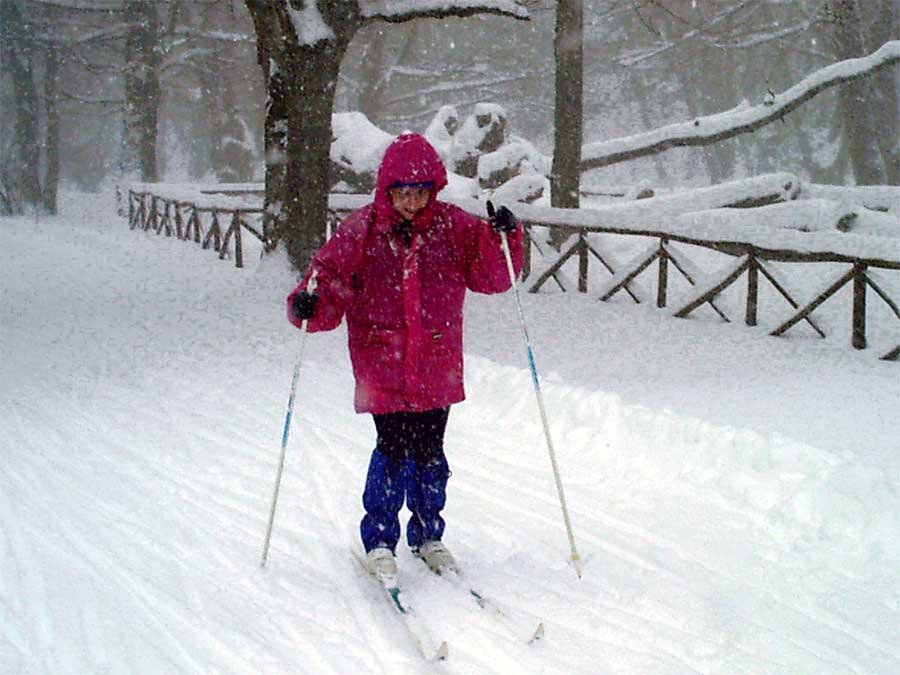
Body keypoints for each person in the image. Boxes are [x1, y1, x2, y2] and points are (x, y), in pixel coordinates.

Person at [286, 133, 523, 581]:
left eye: (420, 192)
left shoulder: (454, 227)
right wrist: (309, 304)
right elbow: (328, 281)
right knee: (392, 449)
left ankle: (429, 533)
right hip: (382, 363)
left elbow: (493, 276)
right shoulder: (361, 231)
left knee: (431, 451)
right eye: (402, 193)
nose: (412, 203)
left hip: (436, 362)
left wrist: (505, 237)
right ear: (386, 190)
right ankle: (379, 539)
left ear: (434, 188)